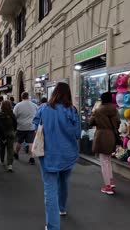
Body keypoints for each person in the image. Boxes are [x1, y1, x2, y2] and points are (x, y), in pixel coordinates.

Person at [33, 82, 80, 230]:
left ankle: (53, 226)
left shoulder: (44, 109)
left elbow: (36, 127)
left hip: (48, 154)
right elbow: (77, 134)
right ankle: (62, 208)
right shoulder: (72, 110)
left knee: (50, 189)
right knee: (64, 181)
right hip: (68, 153)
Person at [89, 92, 119, 195]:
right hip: (111, 135)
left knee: (104, 162)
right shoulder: (114, 109)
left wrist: (93, 113)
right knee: (108, 160)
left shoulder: (98, 111)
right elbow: (118, 122)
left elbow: (91, 122)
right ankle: (111, 181)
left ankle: (107, 187)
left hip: (102, 136)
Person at [13, 91, 38, 164]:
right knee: (31, 143)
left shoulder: (18, 105)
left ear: (21, 97)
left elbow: (14, 116)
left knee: (19, 142)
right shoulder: (34, 105)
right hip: (31, 126)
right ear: (28, 97)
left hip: (21, 127)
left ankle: (16, 154)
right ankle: (32, 158)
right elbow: (38, 114)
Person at [0, 100, 17, 172]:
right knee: (10, 148)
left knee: (2, 147)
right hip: (11, 133)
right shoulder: (12, 114)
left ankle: (2, 161)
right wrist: (14, 130)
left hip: (3, 134)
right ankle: (10, 165)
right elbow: (15, 124)